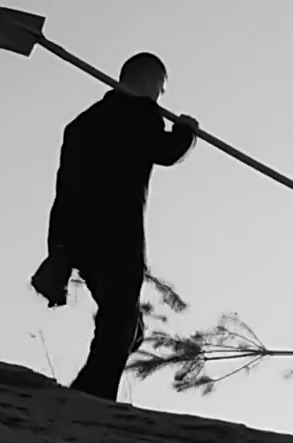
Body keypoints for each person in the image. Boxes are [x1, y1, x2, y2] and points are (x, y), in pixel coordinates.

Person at [31, 52, 197, 402]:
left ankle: (91, 392)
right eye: (160, 89)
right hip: (118, 237)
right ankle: (91, 396)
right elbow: (165, 151)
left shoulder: (83, 123)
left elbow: (66, 185)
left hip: (77, 236)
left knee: (124, 323)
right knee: (119, 322)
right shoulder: (141, 115)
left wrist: (59, 246)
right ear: (153, 83)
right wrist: (185, 131)